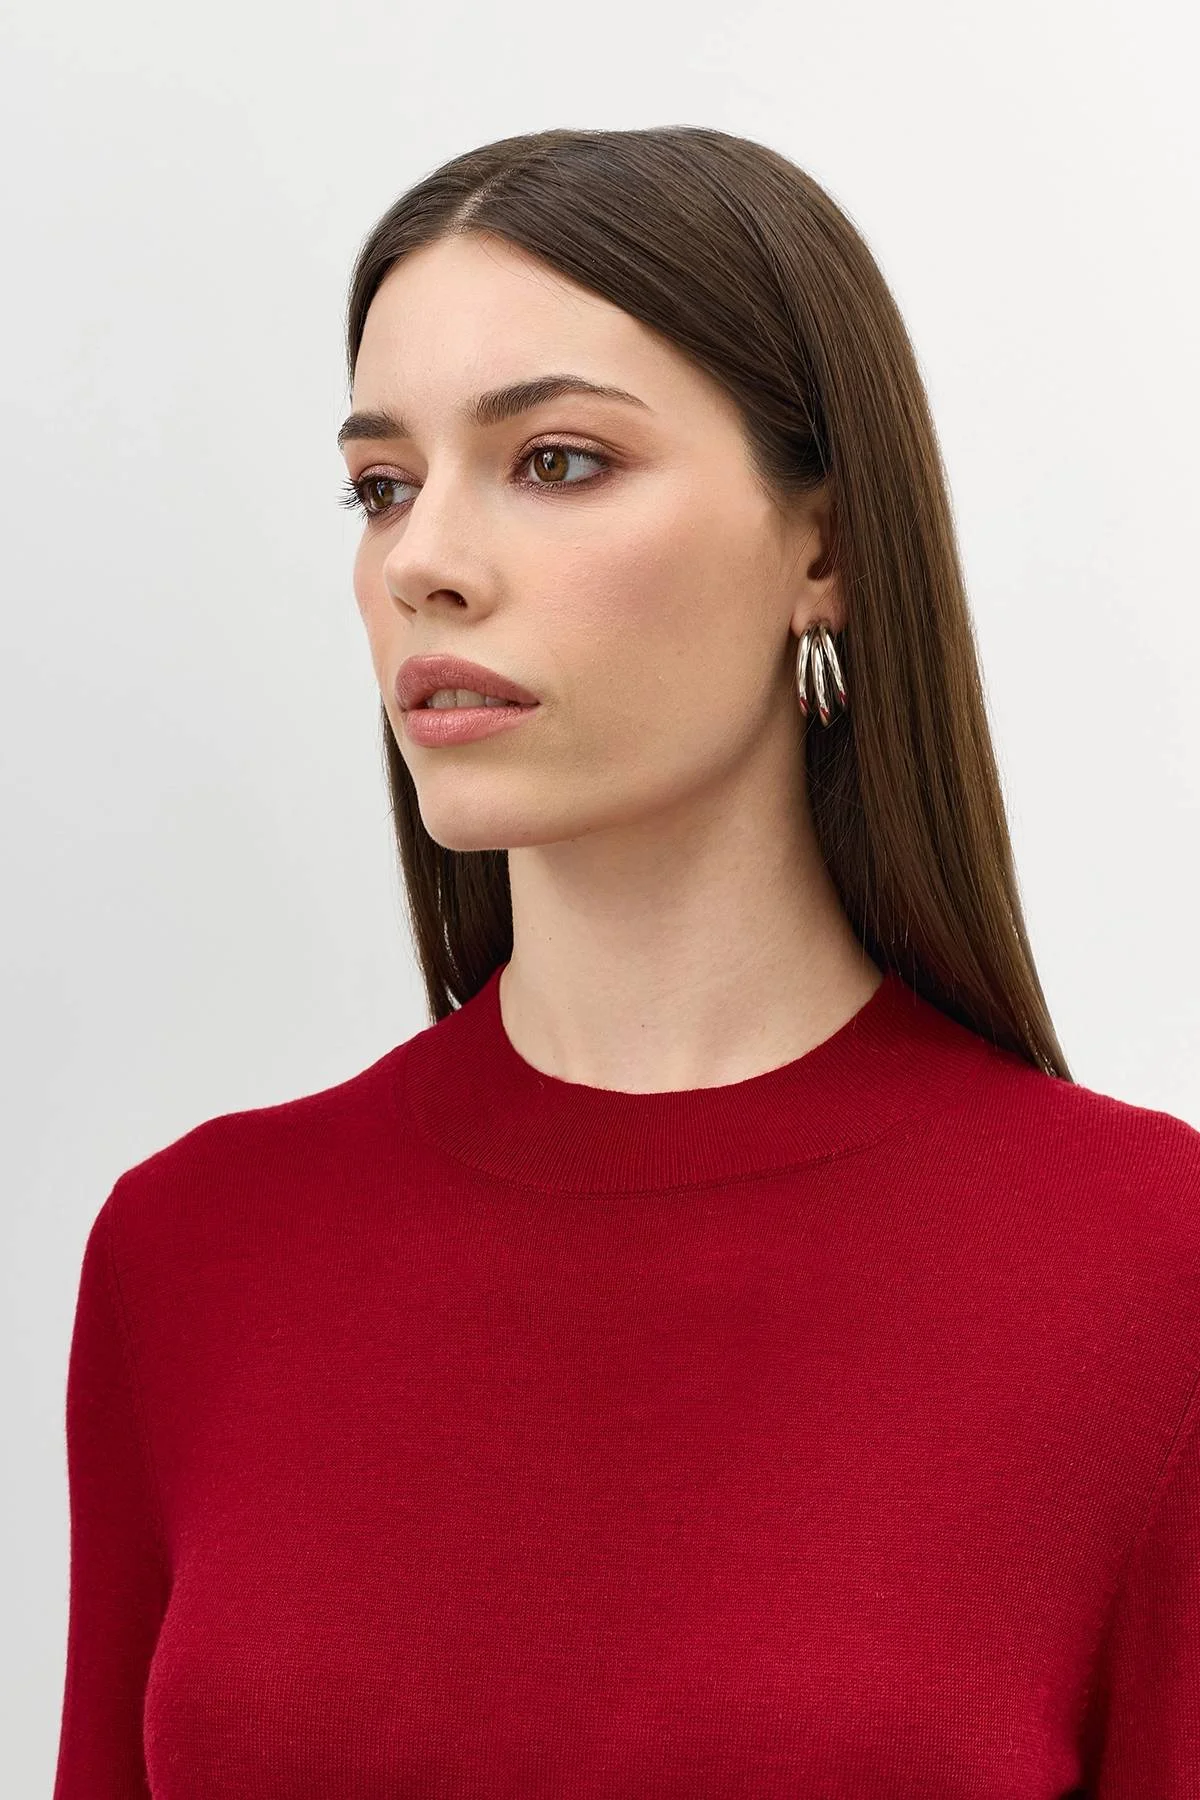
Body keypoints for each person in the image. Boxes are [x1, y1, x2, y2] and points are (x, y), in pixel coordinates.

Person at [53, 126, 1200, 1799]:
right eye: (383, 486)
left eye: (559, 460)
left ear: (827, 548)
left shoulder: (1149, 1274)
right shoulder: (191, 1255)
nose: (421, 561)